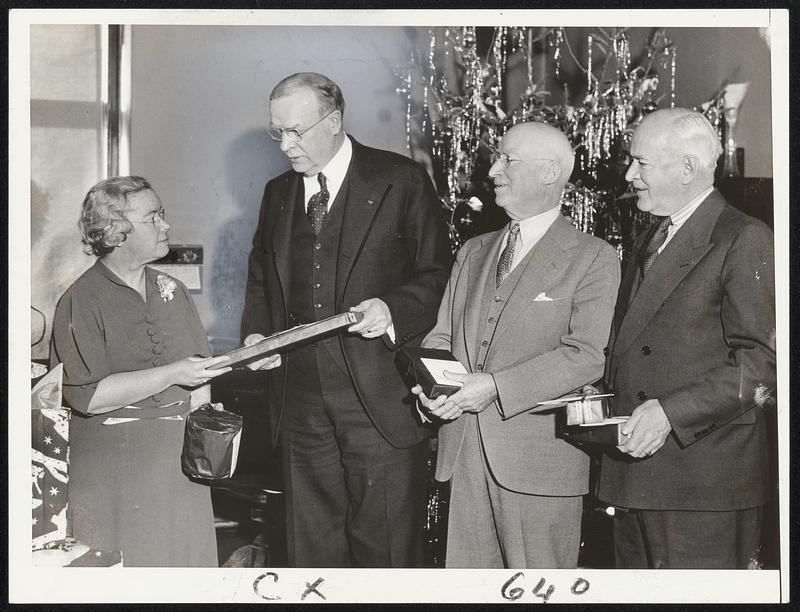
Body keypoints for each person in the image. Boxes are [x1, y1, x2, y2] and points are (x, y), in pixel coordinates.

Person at [240, 72, 451, 567]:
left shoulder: (399, 180)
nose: (286, 145)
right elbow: (260, 280)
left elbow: (438, 271)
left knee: (387, 551)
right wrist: (257, 334)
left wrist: (393, 308)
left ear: (334, 121)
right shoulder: (277, 193)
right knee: (309, 548)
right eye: (278, 132)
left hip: (380, 400)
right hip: (299, 405)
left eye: (296, 131)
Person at [413, 122, 620, 568]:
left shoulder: (593, 257)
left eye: (508, 159)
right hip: (463, 452)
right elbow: (441, 337)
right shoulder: (473, 251)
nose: (493, 170)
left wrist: (494, 386)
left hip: (539, 467)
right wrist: (440, 394)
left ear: (548, 173)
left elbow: (584, 355)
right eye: (496, 158)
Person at [596, 108, 776, 569]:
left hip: (700, 481)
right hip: (636, 473)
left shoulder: (746, 238)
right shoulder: (653, 235)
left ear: (688, 169)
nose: (630, 174)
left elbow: (763, 364)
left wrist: (669, 413)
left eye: (641, 163)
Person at [50, 176, 231, 566]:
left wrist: (205, 425)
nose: (166, 225)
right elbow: (89, 397)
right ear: (116, 232)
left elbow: (199, 373)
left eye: (162, 214)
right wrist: (171, 374)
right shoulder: (80, 301)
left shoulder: (172, 290)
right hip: (115, 472)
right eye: (153, 217)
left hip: (181, 469)